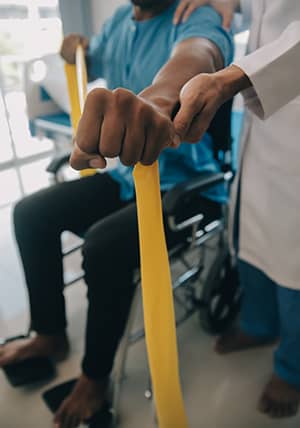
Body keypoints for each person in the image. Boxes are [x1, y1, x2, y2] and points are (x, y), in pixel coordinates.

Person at [0, 2, 233, 427]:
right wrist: (77, 48)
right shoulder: (119, 23)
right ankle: (49, 334)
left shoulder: (193, 18)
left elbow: (199, 54)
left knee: (103, 246)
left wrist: (162, 100)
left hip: (188, 188)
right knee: (31, 213)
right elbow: (95, 55)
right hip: (130, 176)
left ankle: (94, 379)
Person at [173, 0, 300, 420]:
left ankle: (293, 369)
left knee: (295, 258)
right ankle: (260, 325)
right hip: (260, 120)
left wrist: (232, 77)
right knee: (250, 230)